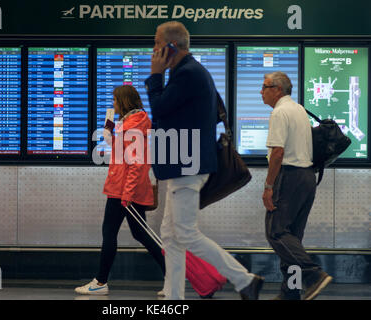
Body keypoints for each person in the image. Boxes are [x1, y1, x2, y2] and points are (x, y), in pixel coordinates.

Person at [144, 21, 264, 300]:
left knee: (185, 233)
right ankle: (174, 296)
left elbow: (160, 108)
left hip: (187, 166)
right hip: (185, 164)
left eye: (157, 43)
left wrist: (155, 76)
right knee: (171, 234)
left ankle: (244, 279)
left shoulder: (187, 74)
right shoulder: (190, 72)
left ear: (171, 47)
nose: (153, 50)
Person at [75, 85, 166, 295]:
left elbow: (135, 163)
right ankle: (171, 273)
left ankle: (100, 282)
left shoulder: (134, 125)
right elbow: (124, 152)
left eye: (115, 101)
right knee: (141, 234)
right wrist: (110, 133)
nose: (113, 104)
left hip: (123, 191)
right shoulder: (131, 123)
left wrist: (126, 195)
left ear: (124, 102)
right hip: (125, 189)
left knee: (109, 233)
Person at [261, 71, 333, 300]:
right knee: (292, 238)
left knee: (276, 232)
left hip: (289, 177)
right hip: (307, 178)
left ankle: (313, 275)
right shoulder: (299, 109)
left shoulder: (280, 112)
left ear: (278, 90)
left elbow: (278, 153)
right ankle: (291, 292)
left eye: (265, 86)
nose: (261, 92)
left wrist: (269, 186)